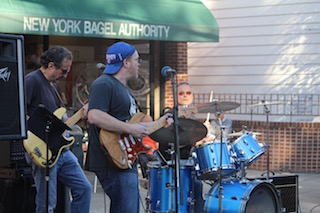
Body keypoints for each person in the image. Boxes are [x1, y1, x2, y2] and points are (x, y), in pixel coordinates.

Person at [85, 41, 172, 213]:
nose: (139, 64)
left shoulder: (123, 89)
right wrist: (130, 129)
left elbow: (136, 126)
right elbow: (94, 115)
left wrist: (162, 122)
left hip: (124, 158)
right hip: (111, 160)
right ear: (126, 62)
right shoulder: (104, 84)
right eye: (136, 60)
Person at [24, 46, 92, 213]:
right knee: (47, 203)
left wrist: (79, 116)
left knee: (84, 189)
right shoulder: (32, 80)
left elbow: (61, 120)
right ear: (51, 65)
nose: (66, 75)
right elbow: (19, 113)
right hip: (42, 149)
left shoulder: (52, 87)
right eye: (64, 70)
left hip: (61, 150)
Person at [159, 81, 213, 213]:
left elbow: (192, 144)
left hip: (189, 163)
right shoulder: (170, 115)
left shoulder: (192, 117)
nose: (185, 95)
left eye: (188, 93)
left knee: (198, 186)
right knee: (195, 185)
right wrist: (199, 137)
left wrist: (205, 138)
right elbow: (175, 142)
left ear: (192, 96)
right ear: (175, 96)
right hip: (172, 164)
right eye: (181, 93)